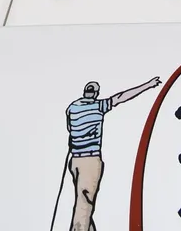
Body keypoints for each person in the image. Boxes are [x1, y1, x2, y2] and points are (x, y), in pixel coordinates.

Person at [65, 76, 160, 230]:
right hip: (91, 158)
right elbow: (121, 97)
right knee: (84, 205)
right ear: (96, 93)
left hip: (75, 160)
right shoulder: (98, 106)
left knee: (84, 201)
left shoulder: (72, 108)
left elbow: (70, 128)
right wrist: (148, 85)